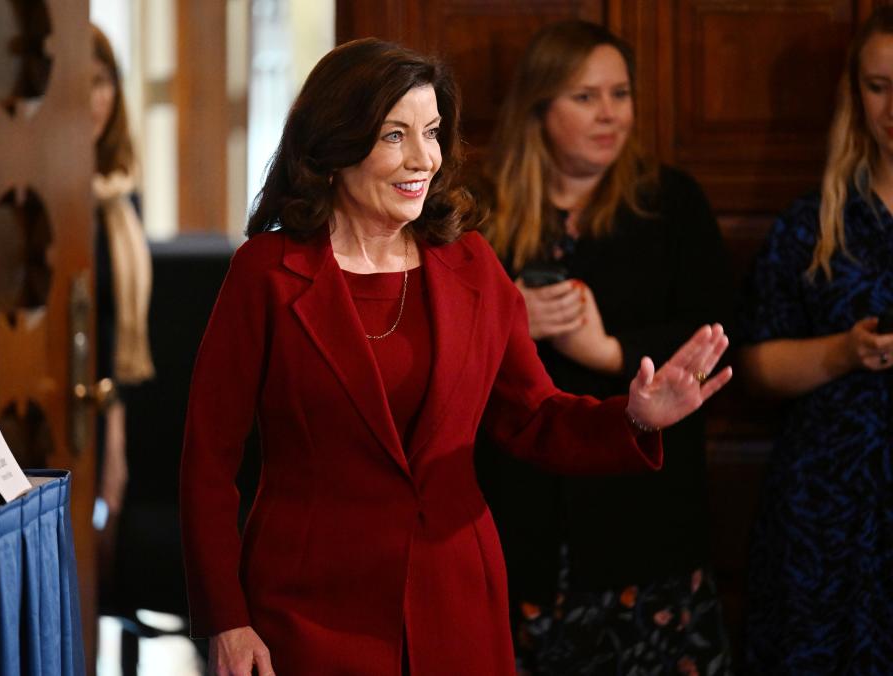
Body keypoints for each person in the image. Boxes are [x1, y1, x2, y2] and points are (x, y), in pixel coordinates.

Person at [179, 37, 732, 676]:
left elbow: (533, 418)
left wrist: (635, 417)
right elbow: (207, 462)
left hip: (457, 603)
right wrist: (226, 617)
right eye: (394, 136)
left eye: (433, 132)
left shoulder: (471, 263)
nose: (424, 159)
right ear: (335, 146)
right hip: (306, 610)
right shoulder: (267, 273)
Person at [475, 20, 733, 675]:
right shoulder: (477, 209)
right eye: (585, 97)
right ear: (539, 107)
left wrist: (610, 350)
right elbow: (428, 349)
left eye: (620, 94)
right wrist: (505, 320)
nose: (610, 113)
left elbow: (725, 337)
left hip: (644, 525)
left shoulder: (669, 203)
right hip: (515, 517)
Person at [739, 7, 893, 673]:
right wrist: (844, 351)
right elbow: (754, 366)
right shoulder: (813, 223)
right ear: (855, 94)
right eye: (880, 85)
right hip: (827, 511)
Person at [90, 25, 154, 561]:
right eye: (81, 84)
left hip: (114, 395)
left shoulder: (120, 189)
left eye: (103, 81)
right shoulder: (54, 196)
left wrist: (116, 427)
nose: (94, 98)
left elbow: (119, 320)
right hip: (68, 394)